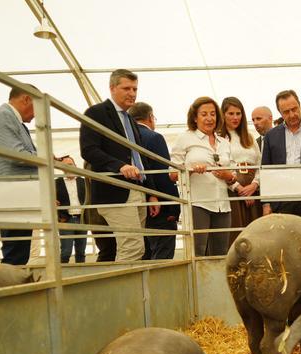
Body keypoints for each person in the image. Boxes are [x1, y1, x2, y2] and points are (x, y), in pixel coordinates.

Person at [79, 69, 159, 261]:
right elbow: (88, 149)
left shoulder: (130, 119)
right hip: (114, 189)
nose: (132, 93)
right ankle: (123, 290)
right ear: (112, 88)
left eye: (135, 89)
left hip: (137, 188)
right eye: (126, 88)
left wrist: (152, 193)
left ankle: (131, 289)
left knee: (136, 248)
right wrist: (119, 166)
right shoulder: (96, 113)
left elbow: (140, 157)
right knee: (132, 247)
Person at [0, 86, 40, 265]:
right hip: (10, 194)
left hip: (15, 194)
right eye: (37, 107)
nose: (36, 115)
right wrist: (47, 158)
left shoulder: (12, 119)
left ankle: (13, 286)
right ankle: (10, 289)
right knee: (15, 252)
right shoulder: (3, 115)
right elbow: (17, 155)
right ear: (26, 99)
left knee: (18, 250)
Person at [170, 97, 236, 256]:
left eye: (213, 114)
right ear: (195, 117)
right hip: (198, 204)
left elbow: (233, 176)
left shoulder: (224, 142)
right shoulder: (185, 138)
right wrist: (190, 169)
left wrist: (228, 176)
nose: (209, 118)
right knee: (197, 252)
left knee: (221, 253)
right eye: (204, 114)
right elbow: (172, 174)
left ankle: (217, 281)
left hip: (223, 205)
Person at [129, 102, 180, 259]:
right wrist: (173, 206)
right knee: (162, 253)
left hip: (135, 204)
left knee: (142, 252)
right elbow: (162, 173)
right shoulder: (154, 138)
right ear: (150, 117)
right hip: (160, 207)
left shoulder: (125, 137)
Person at [261, 90, 301, 220]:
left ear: (299, 105)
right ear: (279, 113)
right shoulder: (270, 136)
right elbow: (265, 169)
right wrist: (266, 204)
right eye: (286, 112)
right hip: (281, 199)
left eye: (294, 109)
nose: (292, 114)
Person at [219, 97, 261, 246]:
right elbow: (221, 166)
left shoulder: (249, 137)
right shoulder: (219, 137)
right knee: (236, 233)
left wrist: (255, 185)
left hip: (252, 188)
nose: (235, 117)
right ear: (223, 114)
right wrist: (239, 188)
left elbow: (260, 163)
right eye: (231, 113)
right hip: (232, 189)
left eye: (238, 113)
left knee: (255, 233)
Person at [54, 156, 86, 263]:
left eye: (71, 165)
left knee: (81, 251)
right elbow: (48, 197)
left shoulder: (84, 181)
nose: (69, 168)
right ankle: (62, 276)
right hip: (65, 219)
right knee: (65, 252)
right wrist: (52, 200)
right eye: (65, 166)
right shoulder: (56, 182)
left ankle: (82, 276)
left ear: (75, 166)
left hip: (82, 219)